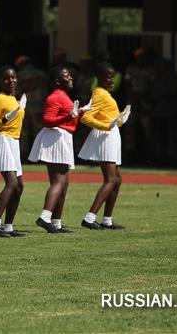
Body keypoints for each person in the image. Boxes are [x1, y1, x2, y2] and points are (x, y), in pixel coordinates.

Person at [29, 66, 83, 234]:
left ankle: (56, 222)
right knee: (58, 182)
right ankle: (45, 217)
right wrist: (71, 115)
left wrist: (80, 112)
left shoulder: (64, 96)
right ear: (58, 81)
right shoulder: (55, 96)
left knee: (64, 184)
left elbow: (69, 118)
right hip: (55, 138)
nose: (71, 78)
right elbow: (47, 120)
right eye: (66, 76)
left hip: (63, 137)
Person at [78, 62, 130, 231]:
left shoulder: (105, 93)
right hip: (105, 138)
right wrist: (105, 126)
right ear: (99, 78)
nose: (112, 80)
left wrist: (120, 119)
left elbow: (109, 117)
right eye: (108, 77)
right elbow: (85, 117)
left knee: (117, 180)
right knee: (111, 179)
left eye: (113, 76)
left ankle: (107, 219)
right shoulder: (100, 93)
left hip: (112, 136)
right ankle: (90, 217)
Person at [0, 67, 27, 238]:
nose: (11, 81)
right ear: (1, 82)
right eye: (7, 79)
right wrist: (6, 118)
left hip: (13, 142)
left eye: (14, 77)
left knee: (19, 186)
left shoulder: (15, 100)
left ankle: (8, 226)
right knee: (12, 183)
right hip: (1, 140)